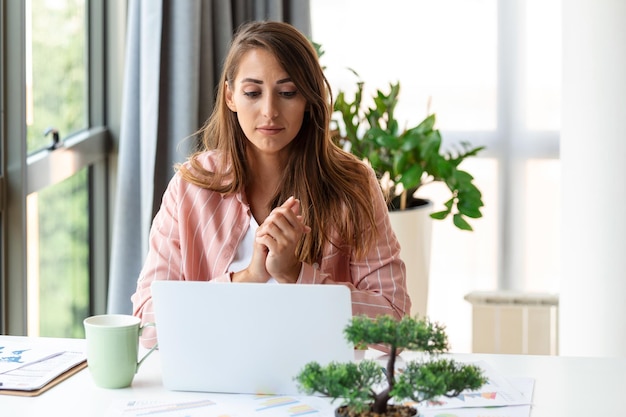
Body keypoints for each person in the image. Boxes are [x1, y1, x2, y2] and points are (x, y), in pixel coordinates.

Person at [131, 20, 410, 348]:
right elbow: (146, 325)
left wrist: (297, 275)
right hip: (215, 386)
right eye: (252, 93)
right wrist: (246, 279)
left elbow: (395, 327)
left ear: (308, 99)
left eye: (287, 92)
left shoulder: (353, 185)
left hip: (319, 388)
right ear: (230, 96)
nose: (269, 111)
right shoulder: (189, 189)